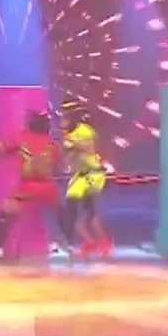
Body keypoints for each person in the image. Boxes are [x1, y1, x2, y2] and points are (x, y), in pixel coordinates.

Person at [0, 110, 70, 256]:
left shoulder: (22, 137)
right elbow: (62, 166)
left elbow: (1, 149)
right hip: (48, 187)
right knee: (59, 212)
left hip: (28, 187)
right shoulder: (52, 144)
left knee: (6, 211)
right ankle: (68, 244)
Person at [59, 99, 111, 255]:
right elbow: (69, 157)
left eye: (65, 116)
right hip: (79, 176)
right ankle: (89, 242)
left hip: (93, 174)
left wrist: (73, 143)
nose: (62, 120)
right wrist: (65, 161)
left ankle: (103, 243)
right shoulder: (66, 135)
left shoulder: (85, 131)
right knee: (72, 212)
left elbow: (90, 149)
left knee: (87, 212)